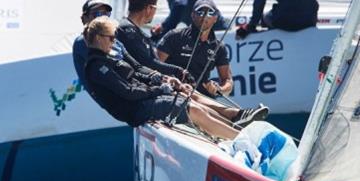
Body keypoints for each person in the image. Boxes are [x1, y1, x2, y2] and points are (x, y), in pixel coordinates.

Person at [83, 16, 249, 140]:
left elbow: (137, 72)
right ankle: (242, 140)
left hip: (141, 101)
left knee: (188, 99)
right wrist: (159, 89)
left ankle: (237, 130)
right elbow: (128, 91)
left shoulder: (109, 57)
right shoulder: (98, 67)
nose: (114, 42)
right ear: (98, 38)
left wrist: (162, 80)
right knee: (194, 110)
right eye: (111, 38)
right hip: (136, 110)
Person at [158, 0, 235, 99]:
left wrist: (219, 89)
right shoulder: (174, 36)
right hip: (175, 93)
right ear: (192, 15)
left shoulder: (218, 47)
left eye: (210, 13)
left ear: (215, 18)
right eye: (200, 12)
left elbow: (228, 81)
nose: (204, 17)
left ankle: (243, 114)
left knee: (223, 112)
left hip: (202, 97)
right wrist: (168, 81)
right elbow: (154, 65)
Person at [116, 0, 190, 80]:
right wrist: (178, 71)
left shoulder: (136, 32)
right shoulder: (127, 30)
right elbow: (147, 62)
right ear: (148, 8)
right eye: (155, 8)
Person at [72, 0, 126, 85]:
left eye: (106, 14)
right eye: (98, 14)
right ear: (85, 18)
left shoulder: (113, 39)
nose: (103, 18)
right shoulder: (82, 41)